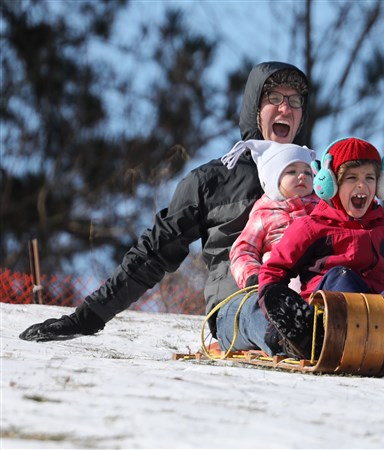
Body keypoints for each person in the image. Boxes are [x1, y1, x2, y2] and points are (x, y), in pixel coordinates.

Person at [19, 61, 311, 342]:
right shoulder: (213, 181)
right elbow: (152, 254)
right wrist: (87, 317)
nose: (285, 107)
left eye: (295, 100)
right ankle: (292, 332)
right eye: (274, 97)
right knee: (264, 316)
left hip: (312, 298)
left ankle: (316, 328)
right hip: (240, 307)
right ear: (254, 108)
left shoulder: (321, 182)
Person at [257, 137, 384, 359]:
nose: (362, 185)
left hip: (380, 316)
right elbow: (274, 271)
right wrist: (275, 305)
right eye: (351, 178)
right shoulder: (311, 228)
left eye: (369, 178)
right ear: (330, 184)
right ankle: (312, 339)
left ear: (381, 185)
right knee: (342, 278)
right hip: (329, 314)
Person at [221, 139, 319, 290]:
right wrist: (253, 276)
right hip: (279, 278)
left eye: (307, 172)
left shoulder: (322, 207)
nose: (302, 176)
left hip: (319, 276)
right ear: (273, 178)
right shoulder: (265, 212)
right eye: (291, 171)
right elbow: (244, 249)